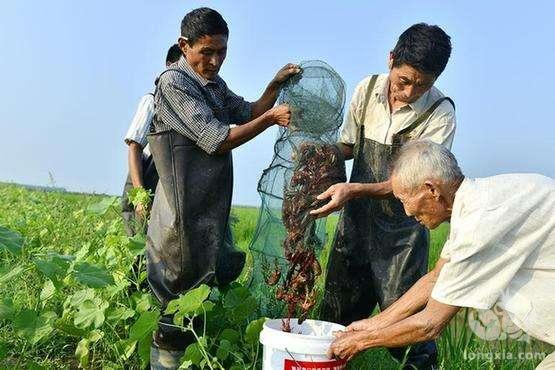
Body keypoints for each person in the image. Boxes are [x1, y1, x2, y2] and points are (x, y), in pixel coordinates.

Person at [146, 7, 300, 369]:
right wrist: (272, 119)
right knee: (175, 297)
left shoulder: (212, 84)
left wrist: (274, 88)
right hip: (180, 217)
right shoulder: (174, 83)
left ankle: (185, 360)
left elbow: (247, 111)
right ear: (185, 46)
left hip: (206, 214)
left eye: (222, 53)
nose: (215, 61)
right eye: (207, 52)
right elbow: (217, 140)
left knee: (199, 293)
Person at [328, 140, 555, 370]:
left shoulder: (480, 222)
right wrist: (373, 325)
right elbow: (436, 277)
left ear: (432, 190)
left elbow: (430, 324)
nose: (407, 211)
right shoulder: (476, 203)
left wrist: (361, 342)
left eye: (404, 199)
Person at [311, 23, 456, 368]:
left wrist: (354, 189)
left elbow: (417, 182)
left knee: (408, 337)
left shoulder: (441, 114)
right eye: (404, 81)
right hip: (354, 228)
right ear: (391, 59)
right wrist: (318, 151)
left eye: (422, 85)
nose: (409, 92)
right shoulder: (368, 89)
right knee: (336, 320)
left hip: (401, 239)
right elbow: (348, 146)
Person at [121, 44, 182, 236]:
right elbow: (134, 147)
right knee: (138, 242)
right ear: (169, 66)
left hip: (168, 180)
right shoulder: (152, 100)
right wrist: (140, 196)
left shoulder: (186, 107)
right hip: (145, 176)